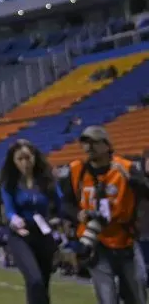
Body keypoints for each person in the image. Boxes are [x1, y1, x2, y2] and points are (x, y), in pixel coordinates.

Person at [60, 126, 149, 304]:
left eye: (94, 142)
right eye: (85, 143)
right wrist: (78, 214)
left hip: (124, 238)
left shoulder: (126, 167)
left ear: (107, 145)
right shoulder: (76, 170)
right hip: (94, 240)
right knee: (107, 296)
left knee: (137, 288)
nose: (89, 147)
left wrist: (131, 179)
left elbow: (147, 191)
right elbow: (64, 204)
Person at [0, 139, 62, 304]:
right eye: (20, 159)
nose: (25, 163)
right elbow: (9, 209)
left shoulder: (47, 180)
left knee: (42, 285)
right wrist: (14, 219)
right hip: (20, 235)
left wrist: (57, 221)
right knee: (35, 280)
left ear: (34, 157)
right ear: (13, 161)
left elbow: (60, 203)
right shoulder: (10, 184)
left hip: (43, 234)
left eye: (28, 158)